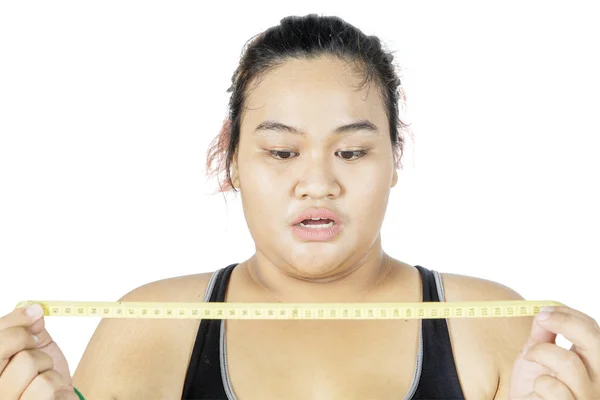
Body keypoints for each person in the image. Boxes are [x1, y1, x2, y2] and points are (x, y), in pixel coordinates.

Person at [1, 13, 599, 400]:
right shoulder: (149, 327)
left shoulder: (493, 325)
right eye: (283, 152)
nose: (317, 184)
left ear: (395, 158)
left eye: (352, 151)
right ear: (233, 160)